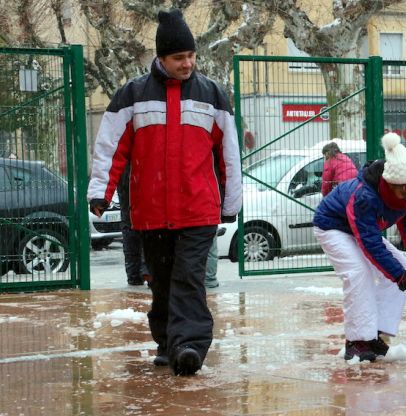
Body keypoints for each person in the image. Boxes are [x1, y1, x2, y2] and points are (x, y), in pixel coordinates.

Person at [87, 9, 241, 376]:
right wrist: (100, 193)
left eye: (191, 56)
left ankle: (189, 345)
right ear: (161, 58)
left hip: (198, 208)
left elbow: (229, 155)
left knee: (188, 276)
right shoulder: (131, 96)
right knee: (161, 278)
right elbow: (110, 148)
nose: (187, 63)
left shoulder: (214, 96)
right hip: (150, 210)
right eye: (178, 58)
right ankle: (167, 342)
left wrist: (231, 202)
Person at [313, 132, 406, 362]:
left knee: (403, 265)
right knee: (358, 273)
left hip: (361, 231)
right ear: (389, 183)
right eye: (404, 192)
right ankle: (357, 341)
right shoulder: (365, 196)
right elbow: (371, 246)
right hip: (332, 227)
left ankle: (375, 335)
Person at [118, 164, 151, 286]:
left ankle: (134, 276)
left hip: (128, 196)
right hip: (140, 194)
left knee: (130, 231)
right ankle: (147, 272)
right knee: (148, 232)